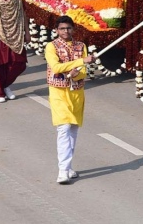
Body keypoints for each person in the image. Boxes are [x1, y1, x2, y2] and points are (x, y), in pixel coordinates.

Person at [46, 16, 96, 184]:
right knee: (64, 128)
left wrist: (77, 73)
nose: (65, 31)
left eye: (68, 28)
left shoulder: (81, 46)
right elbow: (56, 67)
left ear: (73, 29)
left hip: (76, 92)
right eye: (62, 29)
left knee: (73, 129)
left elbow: (83, 72)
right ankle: (62, 170)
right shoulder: (51, 46)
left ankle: (68, 166)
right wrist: (80, 62)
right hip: (58, 92)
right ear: (56, 30)